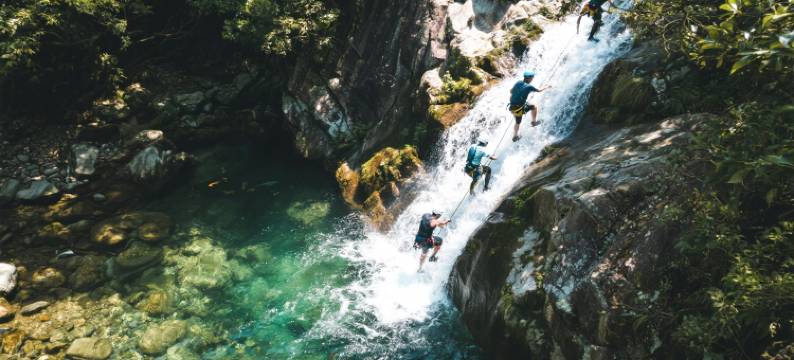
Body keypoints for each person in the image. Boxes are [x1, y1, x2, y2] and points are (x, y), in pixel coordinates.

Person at [509, 71, 552, 142]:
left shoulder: (519, 82)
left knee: (517, 121)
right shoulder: (529, 86)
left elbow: (511, 91)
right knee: (533, 107)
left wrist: (519, 95)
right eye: (532, 77)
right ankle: (533, 122)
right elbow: (539, 90)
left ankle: (515, 136)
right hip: (519, 109)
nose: (533, 79)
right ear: (529, 78)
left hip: (512, 107)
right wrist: (547, 86)